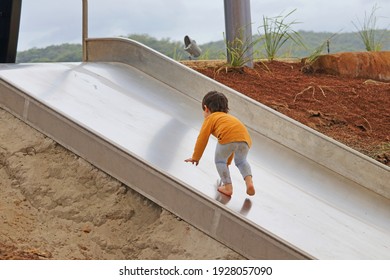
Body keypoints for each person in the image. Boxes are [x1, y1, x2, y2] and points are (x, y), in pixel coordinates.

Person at [185, 91, 255, 197]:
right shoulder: (229, 119)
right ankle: (249, 183)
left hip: (228, 137)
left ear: (206, 108)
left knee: (219, 161)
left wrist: (196, 157)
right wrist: (228, 162)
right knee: (241, 161)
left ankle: (228, 187)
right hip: (245, 138)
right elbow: (232, 144)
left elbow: (202, 138)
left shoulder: (211, 118)